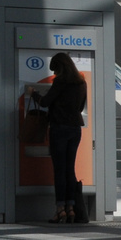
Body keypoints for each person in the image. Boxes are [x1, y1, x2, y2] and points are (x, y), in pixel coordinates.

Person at [29, 53, 88, 223]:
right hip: (75, 129)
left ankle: (60, 209)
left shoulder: (60, 82)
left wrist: (33, 94)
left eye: (55, 69)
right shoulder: (81, 83)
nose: (54, 73)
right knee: (70, 169)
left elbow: (45, 102)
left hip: (59, 128)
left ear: (60, 67)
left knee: (59, 171)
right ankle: (71, 209)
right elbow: (81, 106)